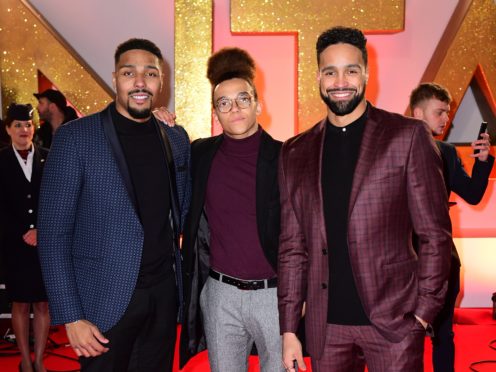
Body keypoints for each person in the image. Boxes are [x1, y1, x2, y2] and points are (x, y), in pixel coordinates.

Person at [277, 26, 453, 372]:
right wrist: (288, 328)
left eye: (351, 70)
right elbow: (292, 248)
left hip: (395, 323)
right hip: (326, 328)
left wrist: (422, 314)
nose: (340, 81)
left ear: (367, 74)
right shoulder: (295, 151)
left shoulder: (407, 137)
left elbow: (435, 235)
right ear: (318, 77)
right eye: (330, 71)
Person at [37, 38, 191, 371]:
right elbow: (53, 235)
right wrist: (71, 315)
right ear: (114, 78)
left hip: (163, 298)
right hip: (103, 302)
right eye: (128, 72)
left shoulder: (176, 138)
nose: (139, 82)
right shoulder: (75, 138)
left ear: (160, 82)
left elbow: (182, 212)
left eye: (150, 73)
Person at [179, 47, 283, 372]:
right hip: (220, 294)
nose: (234, 108)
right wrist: (160, 121)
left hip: (274, 295)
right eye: (224, 102)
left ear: (258, 104)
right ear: (215, 112)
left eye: (242, 99)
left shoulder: (286, 158)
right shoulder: (201, 153)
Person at [410, 82, 494, 372]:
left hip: (444, 258)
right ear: (418, 112)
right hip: (404, 259)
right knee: (405, 339)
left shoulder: (446, 152)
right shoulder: (391, 148)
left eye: (448, 112)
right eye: (440, 112)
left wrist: (482, 163)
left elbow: (472, 194)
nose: (446, 119)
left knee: (443, 334)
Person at [0, 103, 50, 372]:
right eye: (17, 125)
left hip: (44, 243)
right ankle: (25, 361)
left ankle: (40, 361)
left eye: (28, 125)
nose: (24, 130)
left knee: (43, 303)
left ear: (34, 128)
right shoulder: (1, 161)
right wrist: (23, 232)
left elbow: (57, 200)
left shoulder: (48, 157)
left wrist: (41, 229)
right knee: (20, 303)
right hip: (15, 245)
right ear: (8, 129)